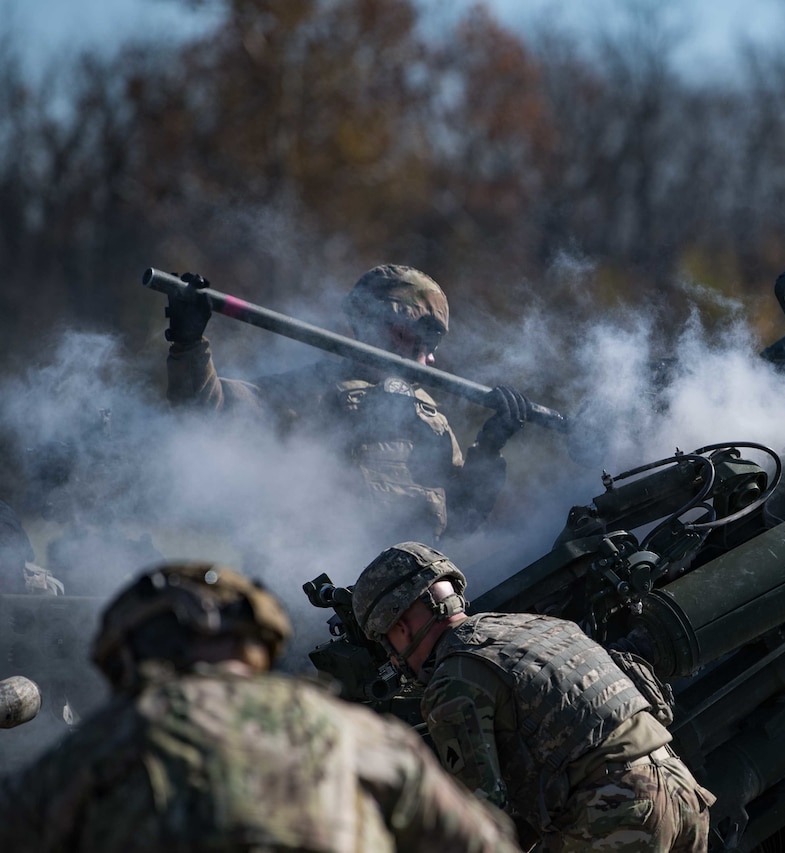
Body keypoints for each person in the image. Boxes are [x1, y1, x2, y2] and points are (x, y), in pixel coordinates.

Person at [0, 561, 521, 853]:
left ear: (133, 650)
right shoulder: (353, 732)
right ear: (257, 643)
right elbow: (482, 845)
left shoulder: (102, 743)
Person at [351, 541, 716, 853]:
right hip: (682, 791)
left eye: (387, 644)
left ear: (399, 628)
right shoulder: (537, 626)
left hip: (617, 812)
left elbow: (481, 819)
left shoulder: (453, 680)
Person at [164, 264, 530, 542]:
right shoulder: (310, 391)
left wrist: (491, 445)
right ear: (394, 326)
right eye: (427, 339)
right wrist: (189, 343)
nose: (431, 359)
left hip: (418, 609)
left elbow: (461, 518)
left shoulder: (426, 415)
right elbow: (202, 413)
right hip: (330, 594)